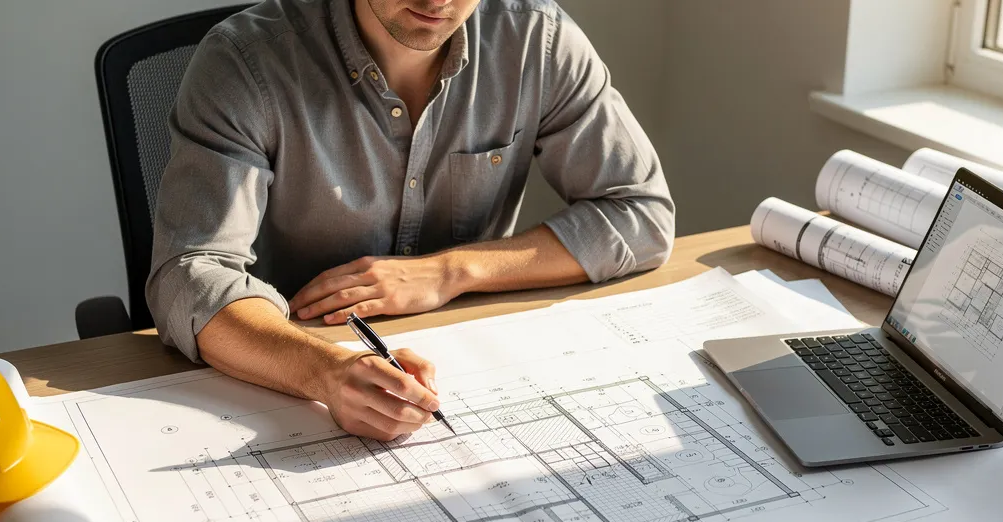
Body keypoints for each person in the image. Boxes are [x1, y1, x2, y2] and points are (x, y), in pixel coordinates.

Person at [147, 0, 674, 440]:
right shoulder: (245, 61)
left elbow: (641, 213)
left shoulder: (538, 39)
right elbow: (191, 274)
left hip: (471, 363)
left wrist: (451, 272)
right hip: (284, 370)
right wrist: (325, 373)